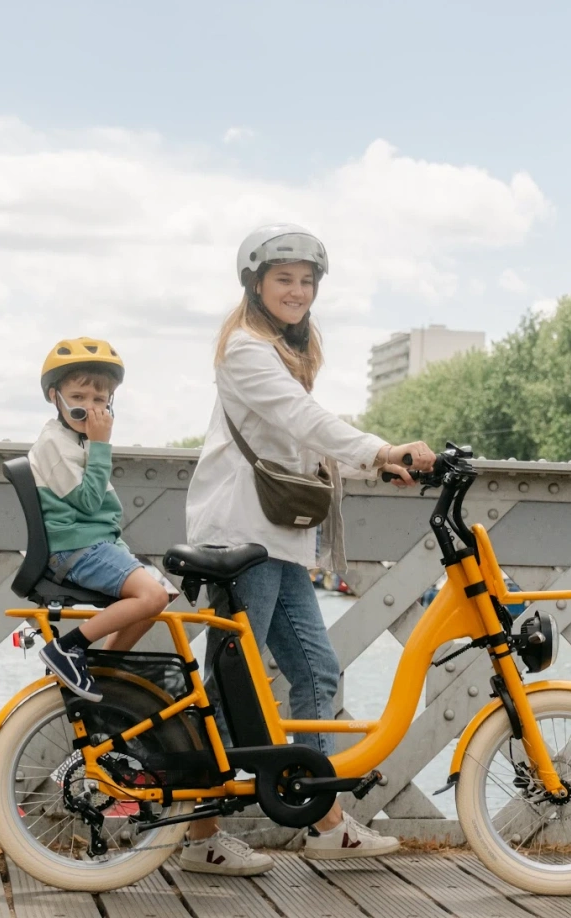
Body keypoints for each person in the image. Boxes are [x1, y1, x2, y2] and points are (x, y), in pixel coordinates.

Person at [181, 224, 436, 875]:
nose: (297, 291)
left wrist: (380, 466)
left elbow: (303, 445)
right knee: (230, 689)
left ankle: (317, 812)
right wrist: (380, 448)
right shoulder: (245, 350)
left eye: (306, 281)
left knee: (316, 672)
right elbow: (303, 423)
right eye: (283, 279)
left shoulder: (280, 352)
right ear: (256, 285)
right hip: (242, 538)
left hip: (278, 542)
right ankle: (202, 834)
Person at [29, 338, 170, 701]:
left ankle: (104, 666)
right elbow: (90, 504)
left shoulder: (75, 440)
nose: (89, 409)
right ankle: (69, 649)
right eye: (78, 398)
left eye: (98, 400)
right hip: (74, 550)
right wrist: (101, 443)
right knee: (151, 595)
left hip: (93, 545)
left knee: (160, 595)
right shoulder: (55, 445)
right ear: (53, 396)